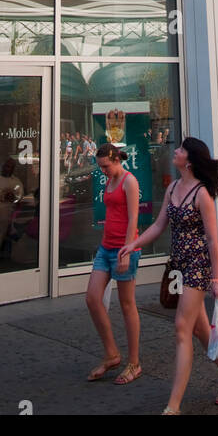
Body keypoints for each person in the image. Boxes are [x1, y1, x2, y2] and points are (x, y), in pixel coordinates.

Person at [120, 136, 218, 414]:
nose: (175, 151)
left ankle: (173, 406)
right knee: (199, 329)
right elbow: (159, 225)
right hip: (178, 266)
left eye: (181, 149)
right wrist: (134, 244)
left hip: (198, 266)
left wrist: (217, 280)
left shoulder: (201, 194)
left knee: (181, 328)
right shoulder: (173, 187)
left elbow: (212, 240)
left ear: (190, 160)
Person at [86, 143, 142, 386]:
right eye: (100, 168)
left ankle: (134, 362)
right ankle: (112, 353)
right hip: (106, 247)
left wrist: (127, 251)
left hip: (124, 249)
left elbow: (133, 219)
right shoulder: (109, 181)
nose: (103, 171)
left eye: (105, 166)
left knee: (127, 304)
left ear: (116, 159)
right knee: (91, 298)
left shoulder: (130, 181)